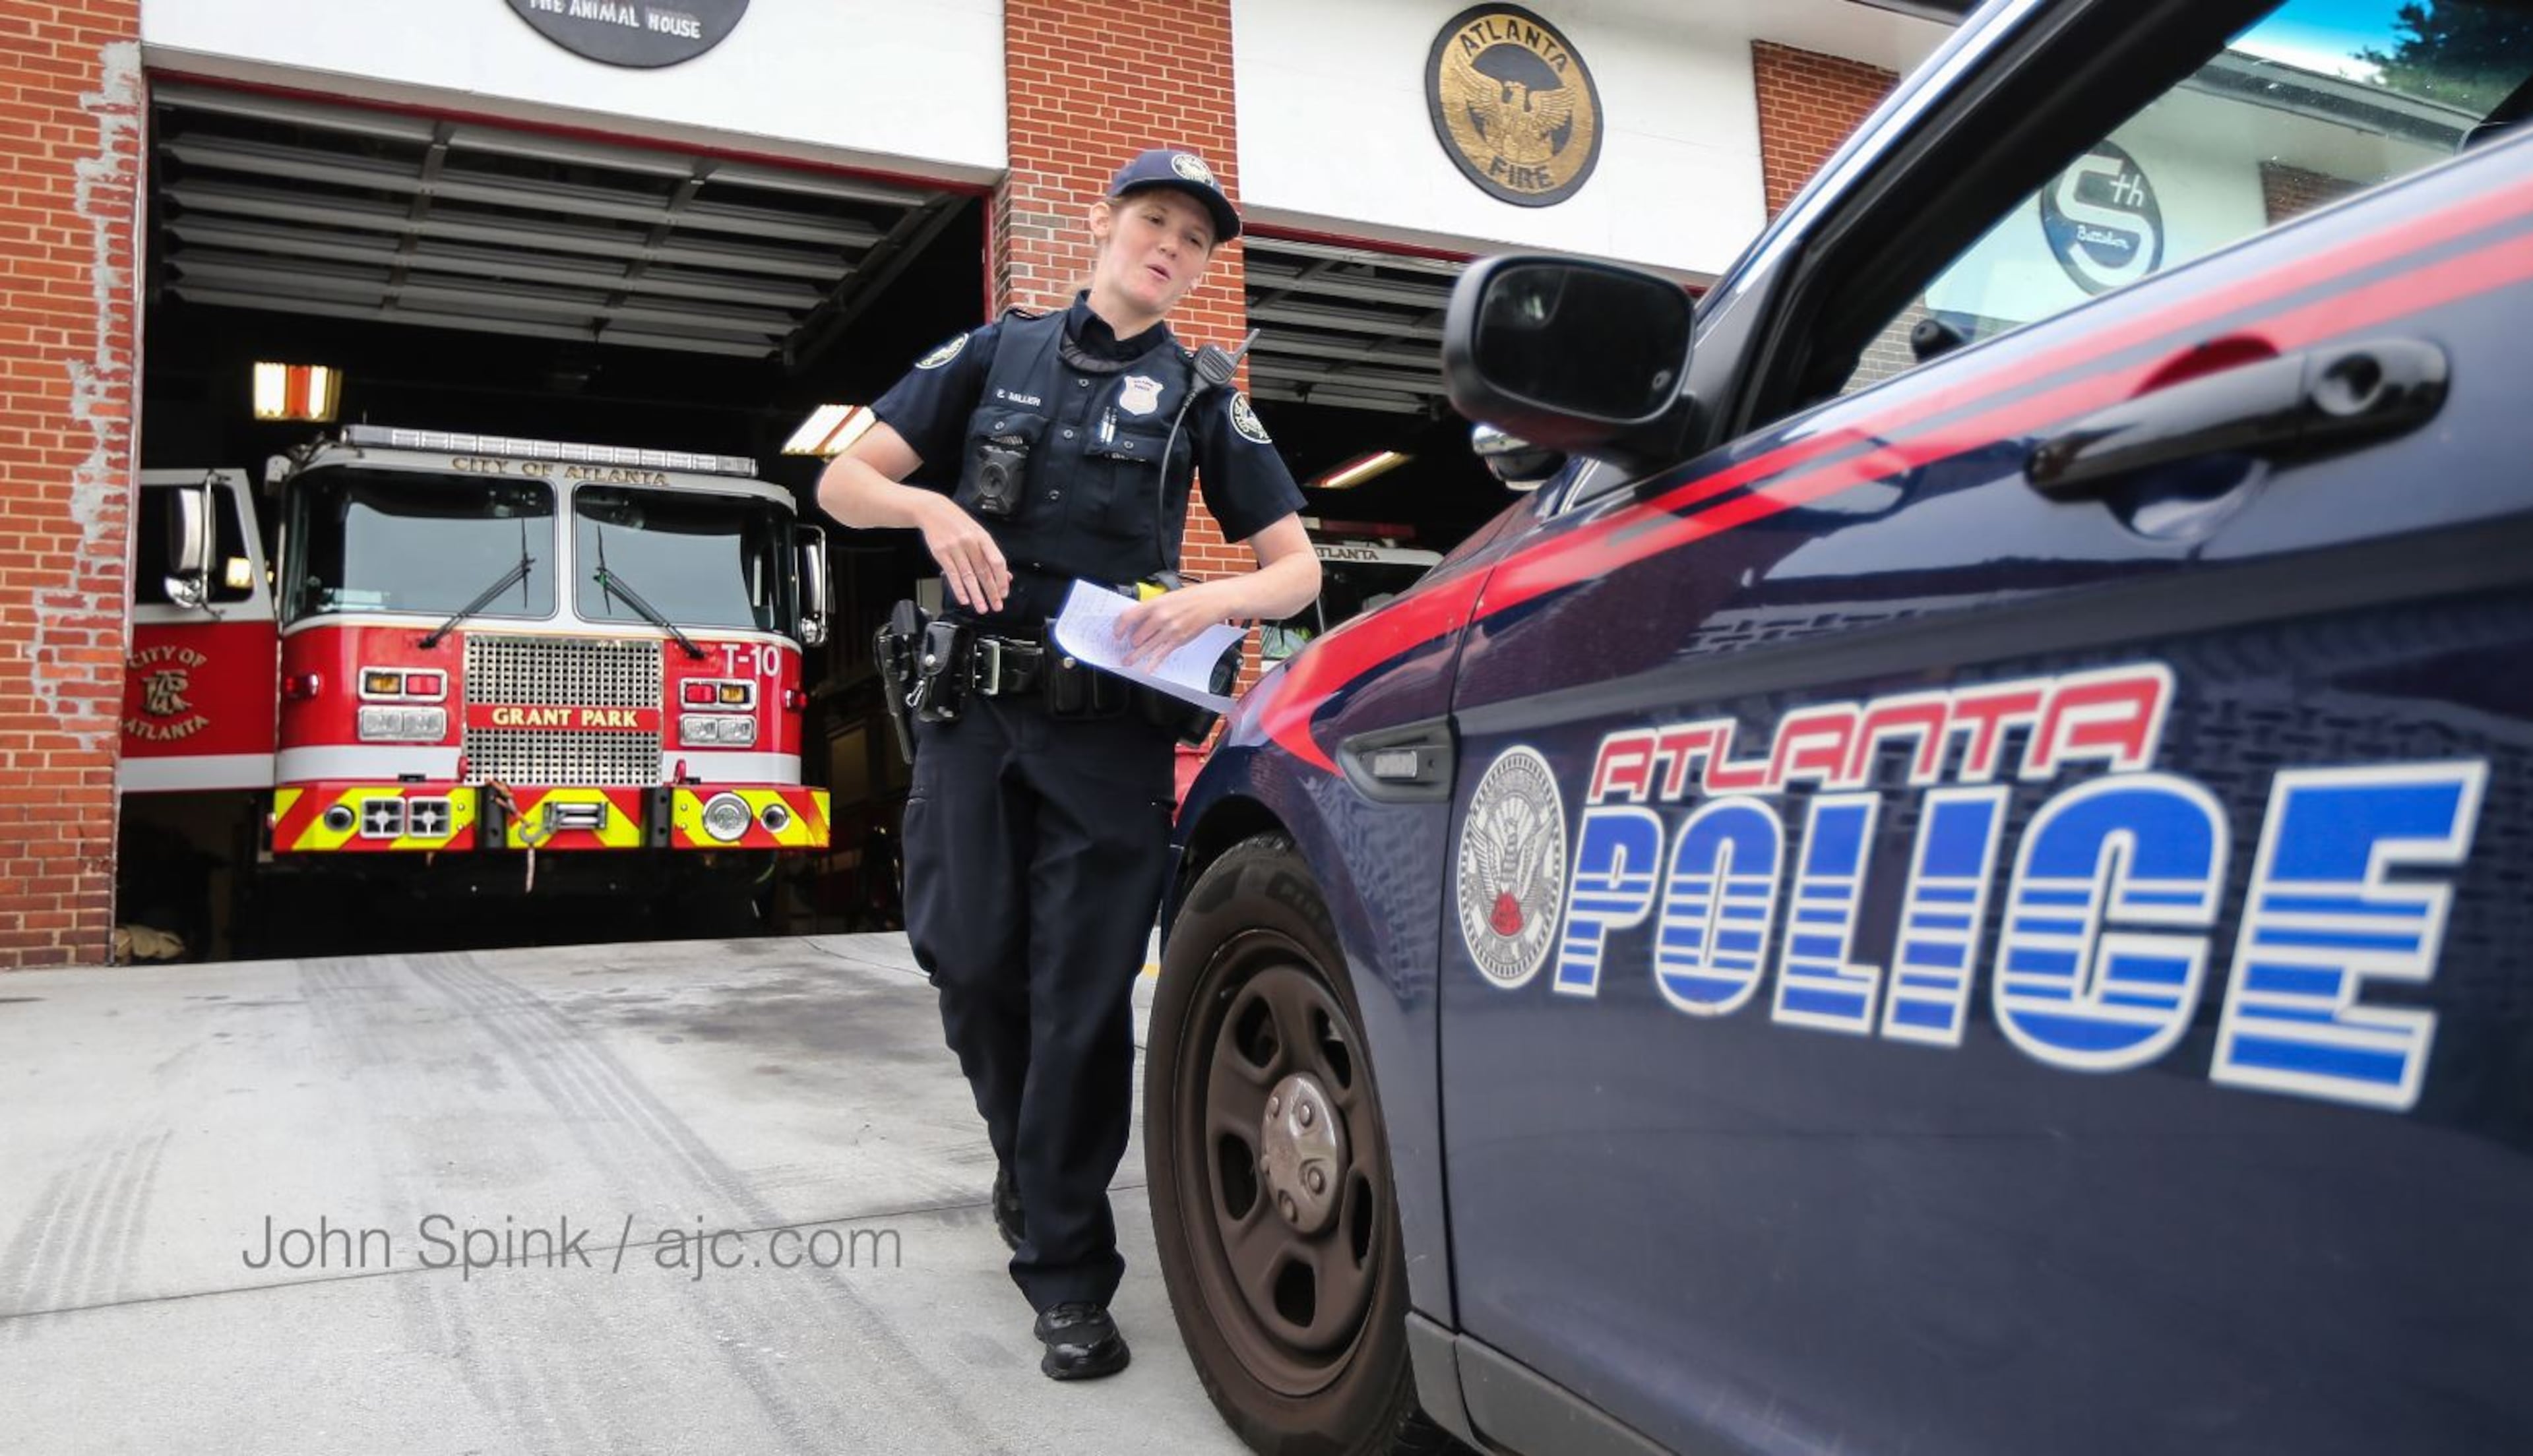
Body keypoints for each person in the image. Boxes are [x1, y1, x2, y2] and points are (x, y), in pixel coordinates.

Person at [815, 148, 1321, 1380]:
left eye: (1195, 242)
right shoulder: (993, 355)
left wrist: (1212, 600)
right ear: (1104, 224)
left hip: (1108, 740)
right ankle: (1031, 1172)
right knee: (975, 968)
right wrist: (930, 510)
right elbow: (840, 479)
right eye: (1154, 222)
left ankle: (1068, 1270)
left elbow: (1300, 568)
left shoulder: (1207, 399)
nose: (1170, 249)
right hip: (974, 723)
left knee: (1085, 1007)